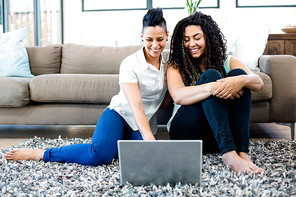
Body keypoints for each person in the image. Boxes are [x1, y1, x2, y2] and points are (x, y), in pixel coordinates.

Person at [4, 8, 169, 166]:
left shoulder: (169, 62)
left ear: (167, 36)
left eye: (160, 39)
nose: (155, 45)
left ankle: (115, 145)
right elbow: (136, 106)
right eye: (149, 39)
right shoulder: (130, 63)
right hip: (119, 115)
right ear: (141, 37)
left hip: (143, 123)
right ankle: (41, 153)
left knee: (141, 158)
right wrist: (149, 138)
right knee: (99, 155)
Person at [166, 12, 264, 174]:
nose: (191, 44)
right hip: (186, 133)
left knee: (238, 74)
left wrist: (241, 81)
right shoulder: (176, 64)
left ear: (208, 37)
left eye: (197, 38)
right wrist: (213, 87)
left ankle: (242, 153)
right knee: (211, 75)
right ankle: (228, 154)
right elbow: (178, 95)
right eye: (186, 39)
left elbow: (258, 83)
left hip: (215, 135)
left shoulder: (227, 61)